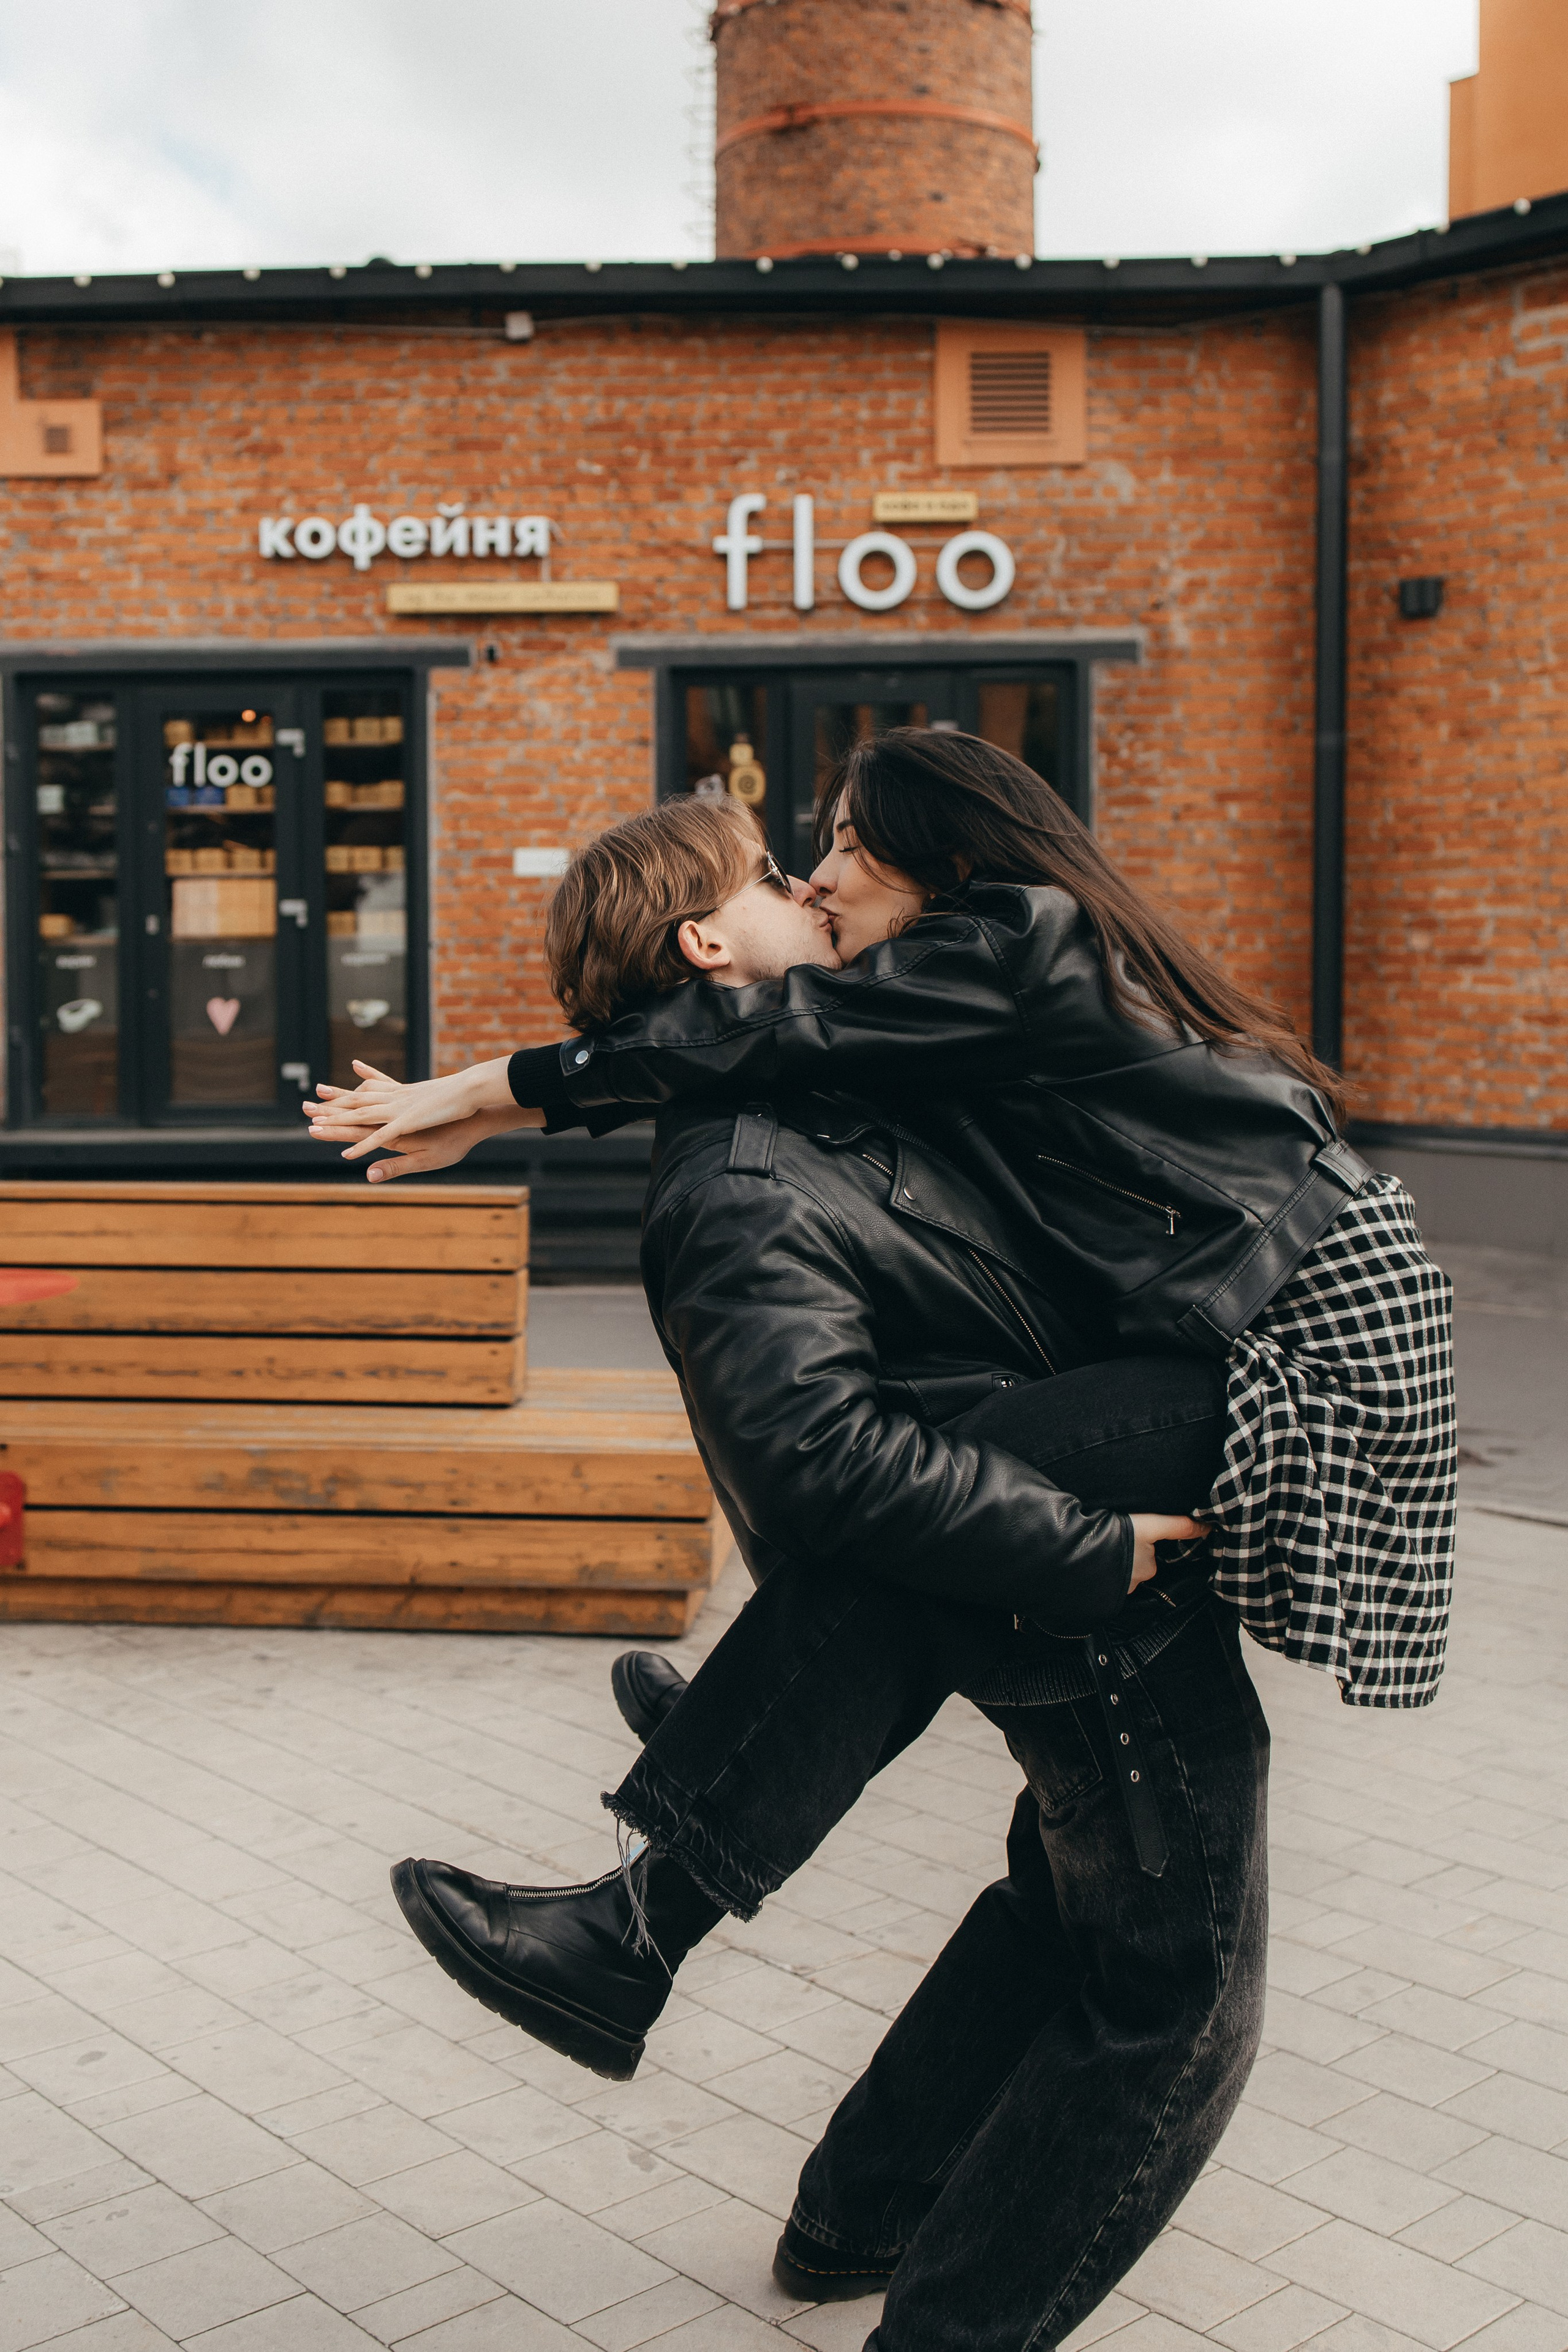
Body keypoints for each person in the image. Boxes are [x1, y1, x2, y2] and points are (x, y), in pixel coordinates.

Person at [305, 744, 1456, 2351]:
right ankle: (787, 2101)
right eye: (791, 864)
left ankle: (646, 1923)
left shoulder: (1009, 954)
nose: (822, 878)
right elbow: (757, 1109)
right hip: (1227, 1349)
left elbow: (760, 1036)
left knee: (1114, 1909)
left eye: (841, 852)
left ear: (945, 864)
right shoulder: (877, 1048)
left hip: (1305, 1345)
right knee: (1121, 1935)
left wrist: (489, 1091)